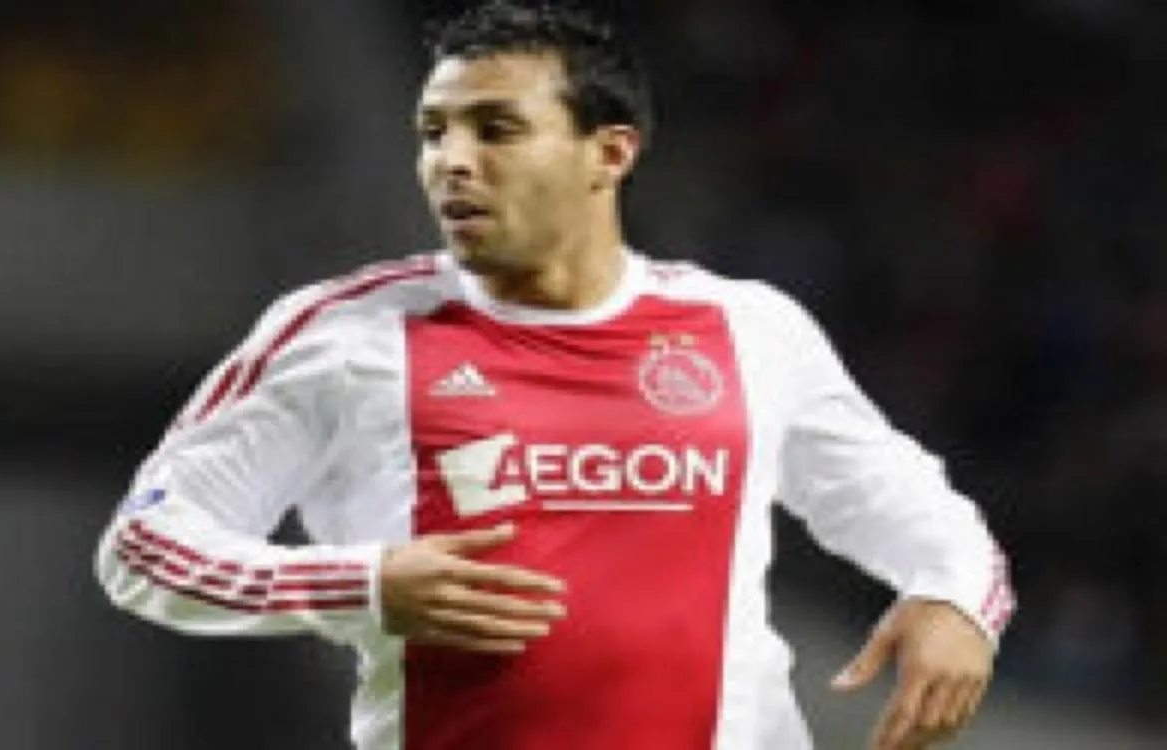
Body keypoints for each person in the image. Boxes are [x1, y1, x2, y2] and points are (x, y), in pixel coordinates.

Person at [94, 2, 1015, 748]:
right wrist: (360, 583)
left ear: (609, 153)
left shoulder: (747, 328)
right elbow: (144, 547)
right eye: (432, 132)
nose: (451, 161)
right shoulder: (347, 334)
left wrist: (956, 599)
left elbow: (903, 501)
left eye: (496, 128)